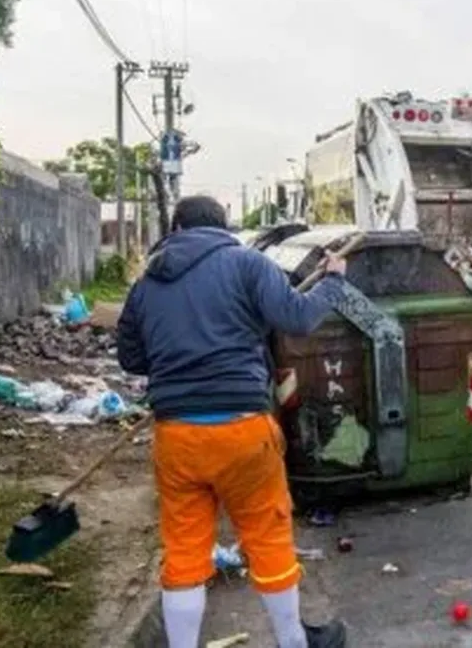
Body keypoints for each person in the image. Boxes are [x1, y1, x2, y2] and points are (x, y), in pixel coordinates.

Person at [117, 196, 347, 648]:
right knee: (266, 536)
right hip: (242, 429)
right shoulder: (249, 265)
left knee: (184, 550)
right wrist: (334, 282)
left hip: (176, 435)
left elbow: (131, 356)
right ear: (223, 227)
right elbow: (297, 318)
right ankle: (293, 642)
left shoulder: (147, 283)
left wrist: (175, 361)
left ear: (176, 229)